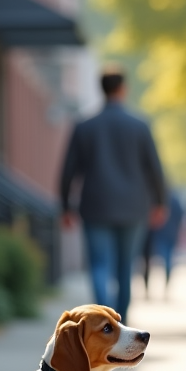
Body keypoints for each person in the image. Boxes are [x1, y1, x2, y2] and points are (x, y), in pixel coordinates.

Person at [60, 69, 166, 323]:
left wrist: (65, 206)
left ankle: (102, 321)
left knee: (98, 265)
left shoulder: (84, 126)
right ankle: (121, 321)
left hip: (96, 205)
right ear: (123, 89)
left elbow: (68, 170)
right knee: (125, 267)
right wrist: (160, 202)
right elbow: (154, 168)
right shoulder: (139, 126)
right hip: (133, 207)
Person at [142, 191, 183, 299]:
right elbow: (180, 216)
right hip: (168, 235)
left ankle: (149, 288)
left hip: (157, 234)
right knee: (167, 261)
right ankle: (166, 287)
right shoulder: (175, 200)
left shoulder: (154, 199)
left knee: (148, 262)